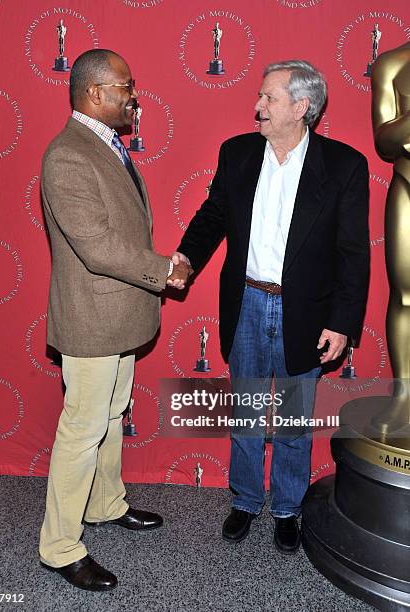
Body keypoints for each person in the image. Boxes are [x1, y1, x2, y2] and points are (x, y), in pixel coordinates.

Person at [174, 60, 369, 553]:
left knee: (292, 421)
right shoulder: (237, 152)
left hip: (304, 312)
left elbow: (352, 253)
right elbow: (213, 215)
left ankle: (286, 508)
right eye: (260, 98)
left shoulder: (344, 165)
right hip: (247, 302)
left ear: (301, 107)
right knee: (245, 413)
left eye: (268, 98)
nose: (257, 106)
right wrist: (184, 259)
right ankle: (243, 500)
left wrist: (342, 323)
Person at [39, 48, 190, 591]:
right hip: (92, 318)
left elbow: (120, 232)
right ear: (95, 93)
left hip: (118, 314)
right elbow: (98, 247)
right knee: (81, 429)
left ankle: (104, 504)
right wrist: (163, 270)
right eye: (126, 86)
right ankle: (58, 546)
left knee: (110, 415)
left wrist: (155, 270)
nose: (134, 96)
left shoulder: (103, 144)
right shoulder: (67, 154)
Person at [371, 42, 410, 432]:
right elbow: (384, 142)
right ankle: (404, 396)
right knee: (405, 295)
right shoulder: (393, 64)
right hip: (407, 186)